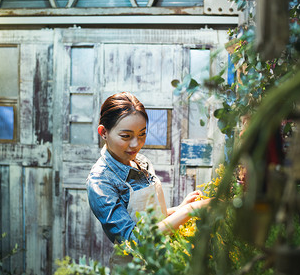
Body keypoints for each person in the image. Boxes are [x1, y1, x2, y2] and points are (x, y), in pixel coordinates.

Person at [87, 92, 211, 247]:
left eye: (142, 134)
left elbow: (151, 219)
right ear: (103, 132)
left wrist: (180, 209)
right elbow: (133, 239)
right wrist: (191, 210)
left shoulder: (140, 162)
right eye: (126, 136)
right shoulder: (100, 182)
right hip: (135, 267)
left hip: (163, 258)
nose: (136, 144)